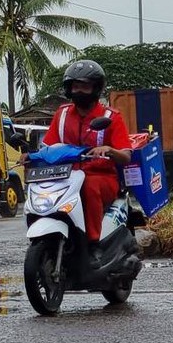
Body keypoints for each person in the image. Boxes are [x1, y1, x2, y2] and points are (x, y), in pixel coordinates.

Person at [42, 60, 131, 255]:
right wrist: (29, 156)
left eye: (85, 86)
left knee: (88, 187)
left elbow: (126, 156)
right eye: (75, 86)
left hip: (100, 177)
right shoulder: (62, 114)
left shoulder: (111, 117)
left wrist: (109, 150)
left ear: (96, 88)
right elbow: (48, 147)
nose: (79, 91)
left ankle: (93, 243)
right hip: (65, 176)